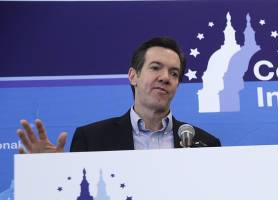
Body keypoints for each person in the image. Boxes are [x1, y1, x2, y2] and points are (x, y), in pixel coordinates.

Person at [17, 36, 219, 153]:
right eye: (156, 68)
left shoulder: (205, 144)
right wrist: (51, 172)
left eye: (174, 73)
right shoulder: (91, 139)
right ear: (133, 76)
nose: (165, 77)